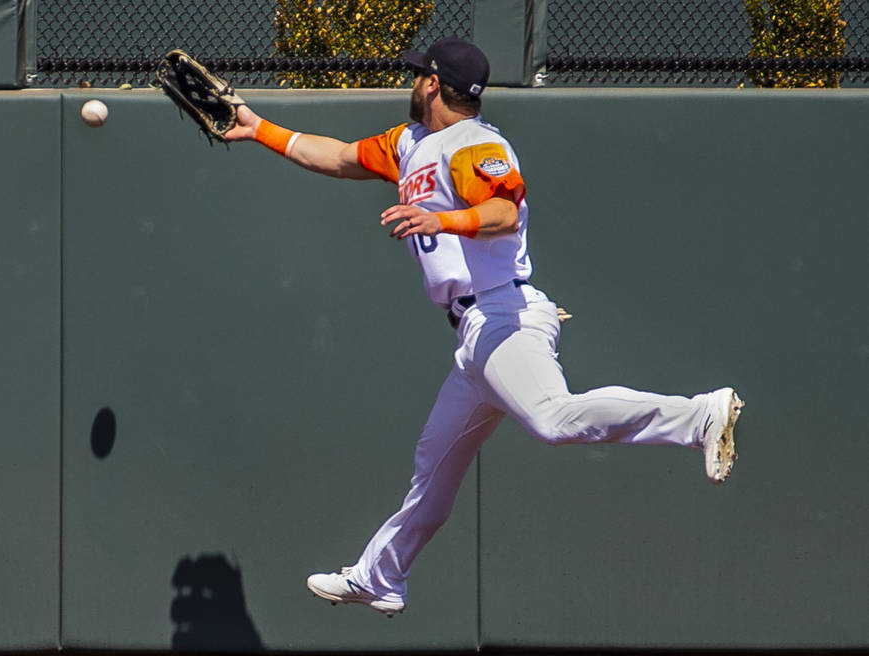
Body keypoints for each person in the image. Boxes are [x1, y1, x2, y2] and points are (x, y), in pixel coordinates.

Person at [223, 37, 744, 618]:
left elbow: (502, 212)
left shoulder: (475, 143)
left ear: (432, 85)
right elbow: (340, 156)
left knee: (553, 419)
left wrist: (441, 218)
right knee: (434, 469)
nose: (411, 81)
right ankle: (380, 577)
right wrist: (259, 128)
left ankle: (697, 416)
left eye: (418, 75)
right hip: (475, 339)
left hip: (505, 315)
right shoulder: (409, 143)